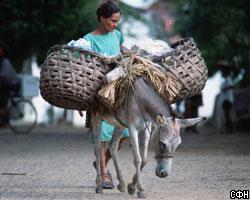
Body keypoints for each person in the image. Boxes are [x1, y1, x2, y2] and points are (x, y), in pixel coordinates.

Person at [82, 1, 129, 189]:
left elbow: (124, 56)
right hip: (98, 95)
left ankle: (103, 165)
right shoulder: (88, 40)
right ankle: (104, 175)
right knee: (101, 137)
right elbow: (82, 71)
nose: (115, 25)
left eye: (117, 21)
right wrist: (81, 100)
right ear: (102, 18)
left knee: (124, 135)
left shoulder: (117, 36)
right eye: (112, 21)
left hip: (117, 95)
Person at [0, 47, 20, 125]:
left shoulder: (5, 63)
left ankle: (4, 119)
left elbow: (4, 75)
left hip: (13, 85)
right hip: (6, 84)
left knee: (3, 100)